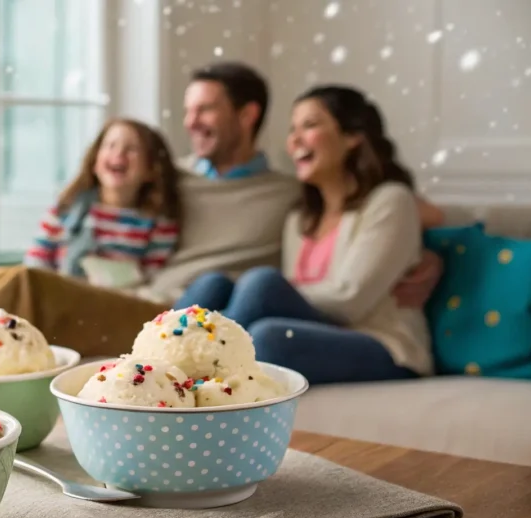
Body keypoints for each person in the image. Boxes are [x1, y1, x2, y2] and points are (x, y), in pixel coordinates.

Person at [0, 62, 442, 364]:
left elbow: (391, 206)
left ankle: (178, 369)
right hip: (152, 299)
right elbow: (94, 188)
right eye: (188, 110)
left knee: (23, 285)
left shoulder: (287, 194)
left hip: (172, 310)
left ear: (247, 115)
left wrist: (434, 255)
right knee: (5, 280)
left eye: (206, 109)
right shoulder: (164, 177)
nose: (192, 122)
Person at [175, 85, 433, 383]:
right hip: (315, 328)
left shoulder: (390, 200)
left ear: (352, 136)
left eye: (309, 126)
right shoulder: (300, 218)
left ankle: (183, 374)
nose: (294, 140)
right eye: (292, 130)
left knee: (266, 323)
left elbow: (351, 300)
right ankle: (155, 363)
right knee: (213, 283)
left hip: (381, 343)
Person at [24, 118, 180, 284]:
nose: (119, 153)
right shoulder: (66, 208)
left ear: (152, 169)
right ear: (94, 162)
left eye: (132, 149)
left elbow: (152, 280)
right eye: (110, 145)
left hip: (114, 301)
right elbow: (37, 260)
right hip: (59, 295)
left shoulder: (158, 224)